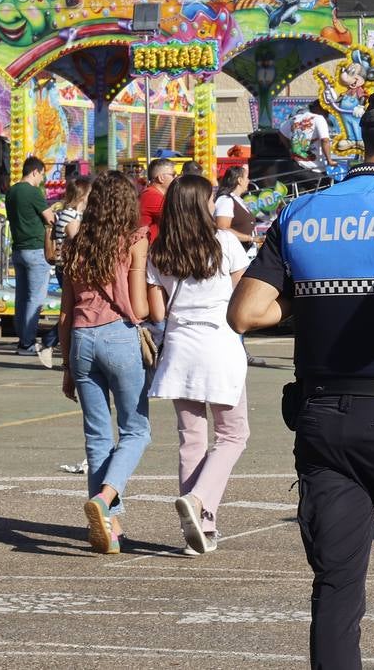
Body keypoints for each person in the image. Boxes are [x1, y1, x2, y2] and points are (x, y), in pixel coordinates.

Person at [228, 88, 374, 670]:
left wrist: (314, 297)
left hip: (323, 417)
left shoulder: (300, 211)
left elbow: (246, 312)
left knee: (335, 586)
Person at [147, 174, 250, 556]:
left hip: (179, 347)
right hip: (219, 343)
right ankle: (199, 501)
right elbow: (243, 293)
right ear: (199, 203)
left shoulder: (160, 249)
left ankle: (200, 530)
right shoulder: (224, 242)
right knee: (233, 434)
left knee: (191, 439)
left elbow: (157, 312)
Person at [58, 171, 151, 554]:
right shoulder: (134, 240)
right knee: (136, 430)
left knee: (97, 437)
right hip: (118, 336)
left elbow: (65, 312)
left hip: (81, 340)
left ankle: (110, 529)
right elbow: (140, 308)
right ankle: (105, 498)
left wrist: (67, 366)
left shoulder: (76, 243)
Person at [5, 157, 56, 362]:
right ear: (35, 171)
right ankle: (27, 343)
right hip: (36, 249)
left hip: (18, 249)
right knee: (35, 299)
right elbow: (50, 218)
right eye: (42, 174)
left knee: (22, 297)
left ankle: (22, 340)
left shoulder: (11, 191)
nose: (42, 179)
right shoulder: (33, 192)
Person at [278, 100, 336, 176]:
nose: (327, 114)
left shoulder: (296, 118)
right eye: (326, 111)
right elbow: (325, 140)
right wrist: (329, 160)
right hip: (313, 169)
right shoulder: (319, 118)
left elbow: (281, 132)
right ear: (319, 108)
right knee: (326, 182)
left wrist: (289, 148)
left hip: (295, 165)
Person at [213, 165, 258, 251]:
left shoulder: (238, 200)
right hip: (229, 252)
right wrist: (250, 238)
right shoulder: (225, 200)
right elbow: (222, 228)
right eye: (246, 178)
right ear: (240, 180)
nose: (248, 181)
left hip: (241, 251)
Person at [138, 158, 176, 242]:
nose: (176, 178)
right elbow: (178, 216)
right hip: (149, 247)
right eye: (173, 175)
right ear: (161, 178)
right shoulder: (151, 195)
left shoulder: (154, 193)